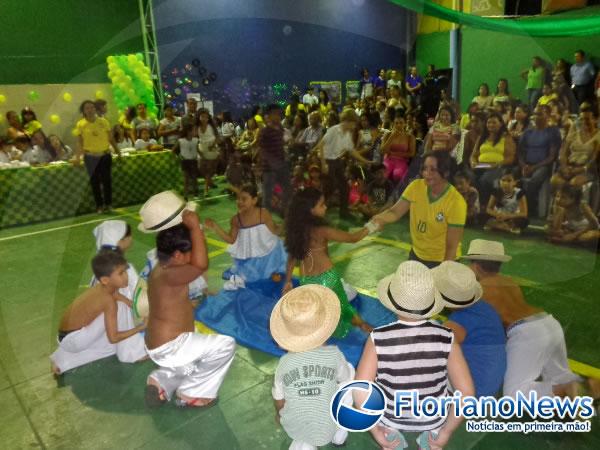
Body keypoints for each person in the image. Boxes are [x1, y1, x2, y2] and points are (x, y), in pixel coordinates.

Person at [355, 261, 474, 450]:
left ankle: (391, 440)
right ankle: (430, 440)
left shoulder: (378, 338)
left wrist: (376, 430)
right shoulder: (447, 337)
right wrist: (446, 432)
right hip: (433, 418)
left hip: (391, 416)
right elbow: (466, 394)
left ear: (393, 302)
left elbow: (361, 389)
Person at [142, 204, 235, 408]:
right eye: (189, 252)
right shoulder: (172, 272)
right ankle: (192, 393)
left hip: (160, 345)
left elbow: (170, 301)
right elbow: (201, 265)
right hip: (170, 346)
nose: (193, 256)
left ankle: (161, 381)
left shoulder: (162, 268)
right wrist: (194, 229)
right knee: (225, 345)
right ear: (177, 255)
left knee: (195, 361)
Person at [462, 239, 581, 399]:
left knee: (514, 394)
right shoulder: (510, 283)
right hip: (549, 323)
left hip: (526, 332)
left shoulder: (480, 291)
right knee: (560, 375)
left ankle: (566, 389)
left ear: (475, 265)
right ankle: (583, 387)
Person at [270, 285, 353, 450]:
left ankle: (305, 443)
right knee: (349, 375)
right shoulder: (334, 354)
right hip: (329, 424)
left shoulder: (284, 363)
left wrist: (279, 414)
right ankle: (339, 436)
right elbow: (344, 380)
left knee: (302, 427)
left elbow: (278, 398)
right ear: (326, 328)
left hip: (295, 426)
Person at [283, 188, 373, 337]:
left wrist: (288, 281)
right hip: (327, 278)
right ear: (310, 210)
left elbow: (291, 258)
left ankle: (319, 331)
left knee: (316, 308)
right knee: (341, 306)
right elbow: (353, 238)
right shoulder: (322, 230)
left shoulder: (296, 230)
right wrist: (371, 226)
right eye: (322, 204)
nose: (325, 207)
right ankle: (361, 324)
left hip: (307, 280)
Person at [50, 249, 147, 376]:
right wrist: (142, 326)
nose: (126, 276)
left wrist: (130, 302)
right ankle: (132, 354)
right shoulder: (108, 301)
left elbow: (116, 294)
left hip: (67, 338)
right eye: (121, 273)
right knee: (118, 316)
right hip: (74, 340)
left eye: (125, 271)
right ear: (106, 280)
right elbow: (114, 337)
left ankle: (62, 360)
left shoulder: (103, 287)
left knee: (109, 346)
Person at [373, 152, 467, 268]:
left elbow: (452, 246)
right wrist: (381, 218)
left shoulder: (456, 202)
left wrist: (444, 270)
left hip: (442, 259)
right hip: (417, 254)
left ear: (446, 173)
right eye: (425, 168)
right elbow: (395, 212)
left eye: (433, 170)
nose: (427, 174)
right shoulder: (416, 186)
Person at [433, 261, 506, 398]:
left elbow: (433, 350)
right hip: (491, 385)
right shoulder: (485, 307)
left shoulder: (459, 321)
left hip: (475, 391)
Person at [204, 183, 287, 287]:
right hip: (249, 257)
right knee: (251, 280)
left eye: (244, 199)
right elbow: (231, 239)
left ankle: (273, 272)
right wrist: (215, 227)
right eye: (238, 199)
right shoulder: (236, 219)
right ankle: (266, 274)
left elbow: (275, 231)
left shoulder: (263, 214)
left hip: (268, 252)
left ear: (254, 200)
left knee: (274, 277)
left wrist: (285, 224)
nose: (240, 202)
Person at [314, 108, 371, 219]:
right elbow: (320, 145)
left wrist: (366, 161)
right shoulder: (333, 130)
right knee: (329, 187)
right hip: (327, 160)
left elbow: (352, 150)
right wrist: (324, 163)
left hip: (337, 161)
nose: (355, 126)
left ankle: (343, 213)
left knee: (344, 186)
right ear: (348, 121)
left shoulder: (348, 134)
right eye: (354, 123)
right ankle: (317, 210)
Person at [73, 100, 119, 213]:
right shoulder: (80, 124)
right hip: (90, 157)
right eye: (87, 108)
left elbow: (111, 138)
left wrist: (118, 151)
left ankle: (108, 204)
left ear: (95, 109)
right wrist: (77, 157)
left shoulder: (104, 122)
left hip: (104, 155)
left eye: (92, 107)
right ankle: (99, 206)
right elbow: (80, 142)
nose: (90, 110)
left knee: (106, 181)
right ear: (83, 111)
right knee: (94, 182)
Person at [516, 105, 561, 214]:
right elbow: (520, 152)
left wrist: (534, 167)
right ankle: (510, 206)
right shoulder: (527, 132)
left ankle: (528, 209)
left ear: (548, 116)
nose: (536, 117)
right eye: (535, 114)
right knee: (510, 175)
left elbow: (552, 157)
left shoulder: (553, 132)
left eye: (540, 114)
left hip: (543, 166)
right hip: (526, 165)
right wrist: (523, 165)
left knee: (534, 180)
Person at [471, 112, 516, 206]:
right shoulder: (482, 137)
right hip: (480, 166)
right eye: (489, 122)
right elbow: (473, 155)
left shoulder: (506, 138)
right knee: (470, 178)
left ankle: (485, 206)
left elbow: (510, 158)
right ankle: (474, 206)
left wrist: (496, 164)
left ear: (501, 124)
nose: (491, 125)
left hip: (498, 167)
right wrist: (473, 162)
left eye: (494, 122)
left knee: (484, 180)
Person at [551, 103, 600, 190]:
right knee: (555, 181)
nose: (584, 122)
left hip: (586, 170)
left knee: (574, 183)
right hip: (570, 166)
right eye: (581, 119)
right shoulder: (574, 132)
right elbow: (563, 151)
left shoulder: (598, 136)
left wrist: (581, 169)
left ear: (595, 120)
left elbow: (593, 159)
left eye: (587, 119)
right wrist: (564, 166)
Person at [257, 104, 293, 214]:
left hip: (282, 166)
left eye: (279, 114)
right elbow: (262, 150)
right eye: (274, 114)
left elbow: (281, 146)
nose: (277, 116)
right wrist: (272, 162)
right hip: (269, 169)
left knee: (288, 190)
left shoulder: (280, 129)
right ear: (268, 116)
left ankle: (284, 211)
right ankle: (264, 220)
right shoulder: (265, 131)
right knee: (267, 195)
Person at [484, 167, 529, 234]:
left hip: (512, 217)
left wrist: (507, 216)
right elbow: (489, 208)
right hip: (498, 216)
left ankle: (497, 226)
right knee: (481, 215)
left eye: (509, 181)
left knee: (524, 221)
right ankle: (506, 227)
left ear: (515, 182)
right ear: (499, 181)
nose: (505, 183)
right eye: (503, 180)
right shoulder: (496, 191)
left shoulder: (520, 193)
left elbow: (524, 213)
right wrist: (497, 215)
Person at [380, 114, 415, 183]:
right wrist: (392, 137)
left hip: (402, 161)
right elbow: (383, 150)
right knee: (382, 175)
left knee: (397, 174)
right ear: (393, 124)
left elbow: (411, 153)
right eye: (396, 123)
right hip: (388, 159)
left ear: (405, 124)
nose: (398, 125)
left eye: (401, 123)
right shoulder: (388, 135)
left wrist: (393, 153)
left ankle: (397, 192)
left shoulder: (410, 137)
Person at [197, 108, 220, 196]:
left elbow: (217, 138)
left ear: (208, 118)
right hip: (202, 148)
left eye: (206, 117)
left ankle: (206, 189)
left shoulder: (211, 126)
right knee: (201, 168)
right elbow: (195, 139)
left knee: (209, 169)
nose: (204, 119)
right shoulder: (197, 127)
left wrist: (213, 146)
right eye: (202, 116)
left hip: (211, 148)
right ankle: (210, 182)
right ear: (199, 117)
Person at [173, 124, 200, 199]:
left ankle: (196, 193)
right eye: (193, 130)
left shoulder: (196, 140)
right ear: (188, 131)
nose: (195, 131)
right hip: (185, 161)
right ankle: (186, 195)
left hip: (194, 161)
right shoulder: (181, 141)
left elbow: (197, 150)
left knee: (194, 178)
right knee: (186, 179)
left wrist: (203, 156)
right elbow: (173, 150)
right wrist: (177, 158)